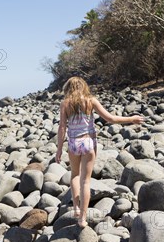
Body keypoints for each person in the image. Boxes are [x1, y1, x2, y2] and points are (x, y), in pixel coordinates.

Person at [55, 77, 144, 228]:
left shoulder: (65, 103)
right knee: (86, 181)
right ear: (83, 86)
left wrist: (58, 148)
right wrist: (131, 119)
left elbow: (62, 127)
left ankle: (76, 207)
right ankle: (82, 219)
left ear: (68, 88)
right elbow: (110, 119)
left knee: (75, 175)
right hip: (88, 142)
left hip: (73, 143)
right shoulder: (90, 101)